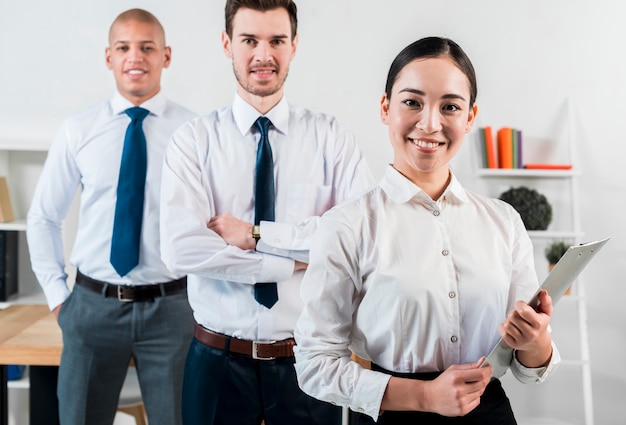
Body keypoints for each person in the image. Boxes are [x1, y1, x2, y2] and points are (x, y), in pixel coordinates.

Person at [293, 36, 561, 424]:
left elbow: (529, 367)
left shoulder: (503, 221)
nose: (430, 123)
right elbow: (314, 364)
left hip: (492, 413)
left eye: (450, 106)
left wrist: (536, 341)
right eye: (412, 102)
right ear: (385, 107)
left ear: (470, 117)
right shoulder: (347, 225)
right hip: (399, 412)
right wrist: (424, 396)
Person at [159, 1, 374, 424]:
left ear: (293, 46)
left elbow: (360, 240)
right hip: (216, 358)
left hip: (310, 360)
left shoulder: (332, 139)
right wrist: (293, 261)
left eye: (276, 40)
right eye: (249, 40)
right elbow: (181, 251)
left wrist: (256, 235)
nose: (263, 55)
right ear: (227, 44)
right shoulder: (193, 142)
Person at [26, 9, 196, 425]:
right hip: (90, 308)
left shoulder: (194, 132)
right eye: (123, 47)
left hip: (172, 311)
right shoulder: (78, 130)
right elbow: (44, 217)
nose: (134, 57)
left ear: (166, 56)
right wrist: (57, 300)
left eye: (147, 47)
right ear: (108, 57)